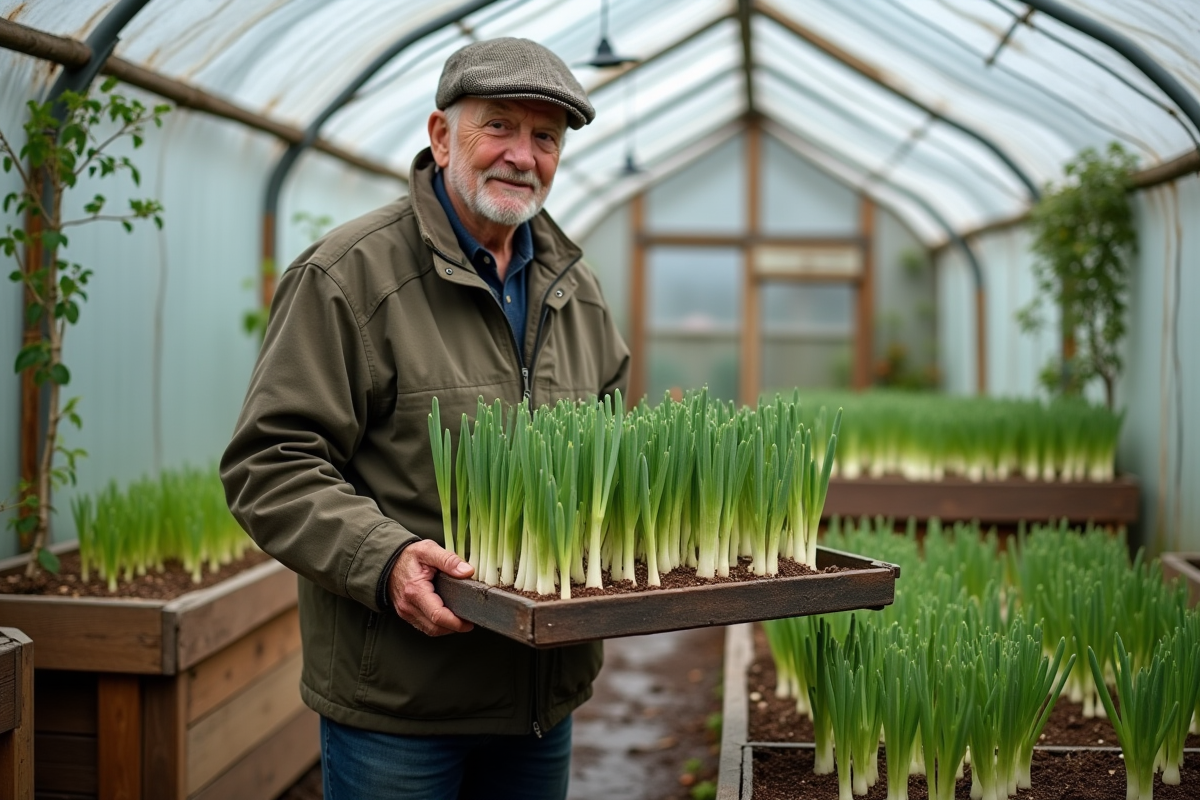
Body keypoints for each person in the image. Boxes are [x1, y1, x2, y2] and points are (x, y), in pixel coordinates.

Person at [220, 37, 629, 800]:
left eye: (545, 137)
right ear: (442, 136)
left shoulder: (578, 293)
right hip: (401, 707)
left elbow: (613, 455)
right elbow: (270, 464)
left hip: (542, 701)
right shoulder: (349, 275)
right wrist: (387, 559)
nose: (522, 155)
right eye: (498, 126)